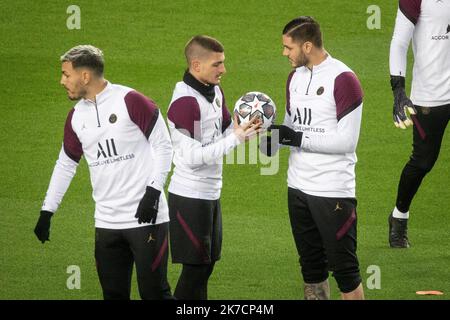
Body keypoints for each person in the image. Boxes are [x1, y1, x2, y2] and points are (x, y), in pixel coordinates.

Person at [33, 45, 174, 300]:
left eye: (66, 74)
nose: (62, 81)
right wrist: (47, 211)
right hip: (107, 223)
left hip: (146, 219)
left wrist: (153, 193)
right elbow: (66, 164)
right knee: (113, 295)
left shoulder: (130, 100)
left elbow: (164, 146)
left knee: (155, 294)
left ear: (85, 76)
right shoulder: (75, 117)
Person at [261, 16, 365, 300]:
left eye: (288, 47)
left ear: (307, 46)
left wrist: (297, 139)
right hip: (297, 188)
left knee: (345, 271)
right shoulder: (295, 78)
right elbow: (291, 124)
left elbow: (347, 141)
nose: (284, 53)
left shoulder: (344, 79)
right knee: (311, 269)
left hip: (332, 191)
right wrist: (271, 140)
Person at [166, 35, 261, 300]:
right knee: (195, 271)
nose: (224, 70)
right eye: (217, 64)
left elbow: (225, 128)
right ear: (196, 65)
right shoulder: (185, 102)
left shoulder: (214, 91)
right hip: (189, 196)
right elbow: (195, 158)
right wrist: (236, 138)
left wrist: (246, 127)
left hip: (210, 194)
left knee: (206, 267)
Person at [388, 0, 450, 248]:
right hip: (430, 96)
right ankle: (399, 217)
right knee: (423, 161)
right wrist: (398, 90)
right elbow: (399, 42)